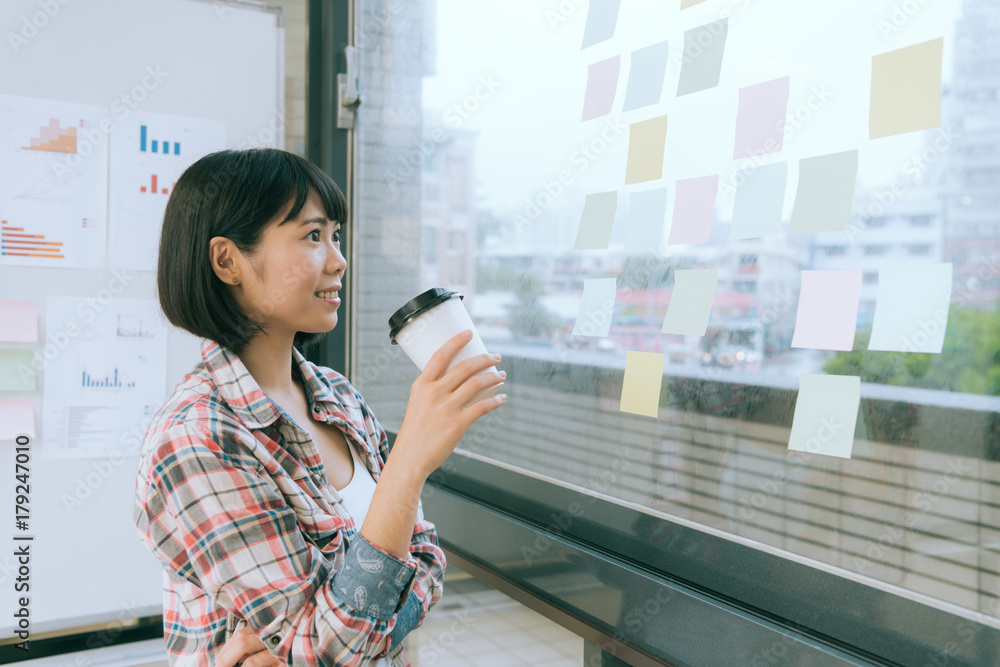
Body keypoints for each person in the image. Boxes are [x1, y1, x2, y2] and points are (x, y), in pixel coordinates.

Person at [132, 148, 506, 666]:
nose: (338, 259)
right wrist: (409, 464)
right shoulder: (198, 436)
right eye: (312, 235)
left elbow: (427, 564)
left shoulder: (338, 396)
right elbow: (327, 650)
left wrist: (343, 639)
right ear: (228, 261)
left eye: (336, 235)